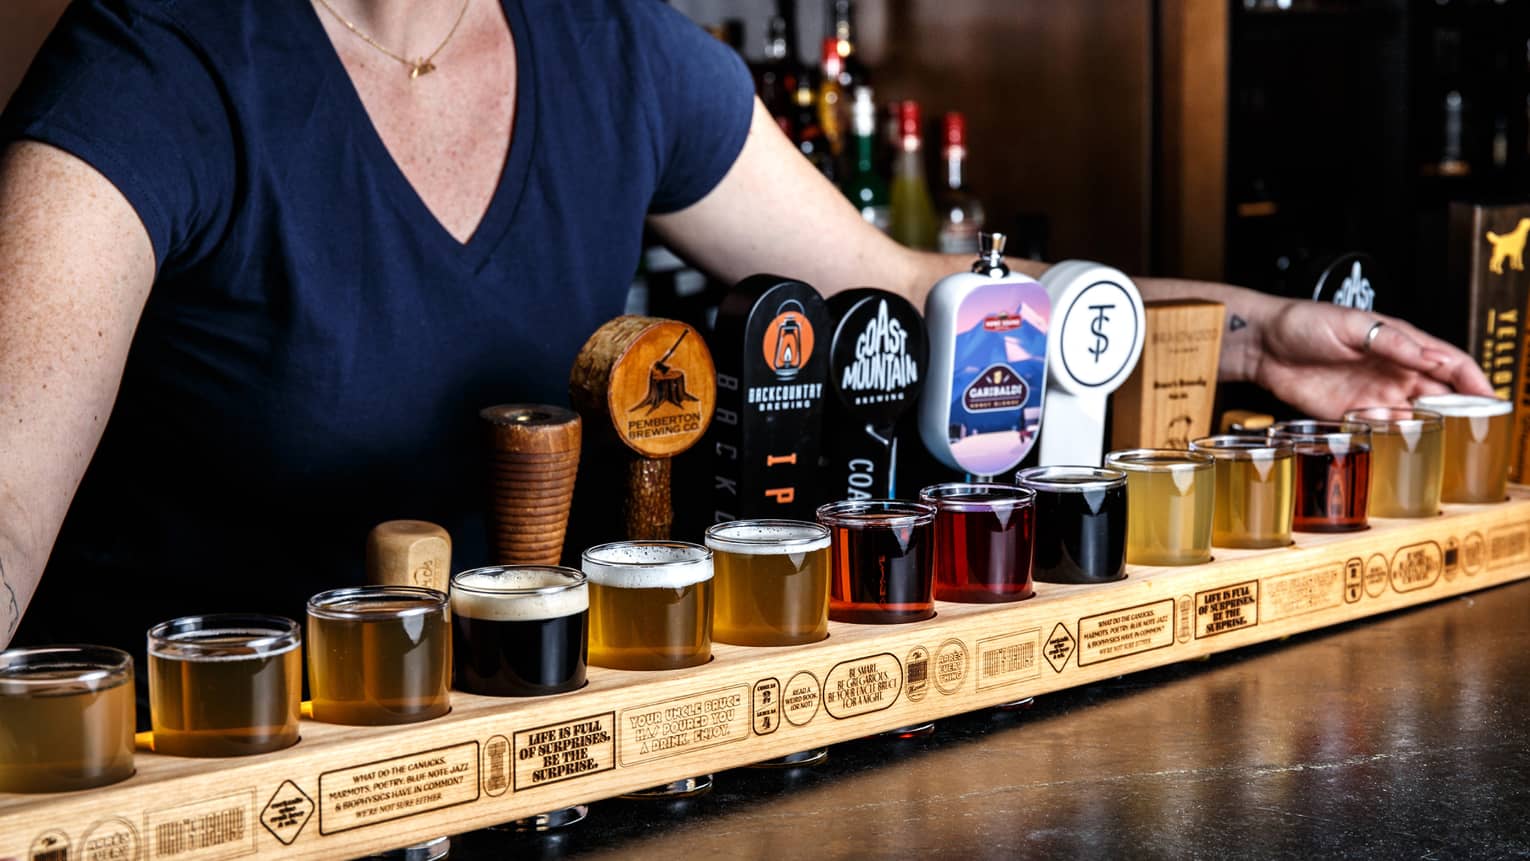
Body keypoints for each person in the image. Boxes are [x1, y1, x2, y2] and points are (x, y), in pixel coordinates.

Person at [0, 0, 1492, 653]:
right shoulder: (154, 70)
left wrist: (1237, 341)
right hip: (218, 775)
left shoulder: (615, 47)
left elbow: (907, 289)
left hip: (541, 743)